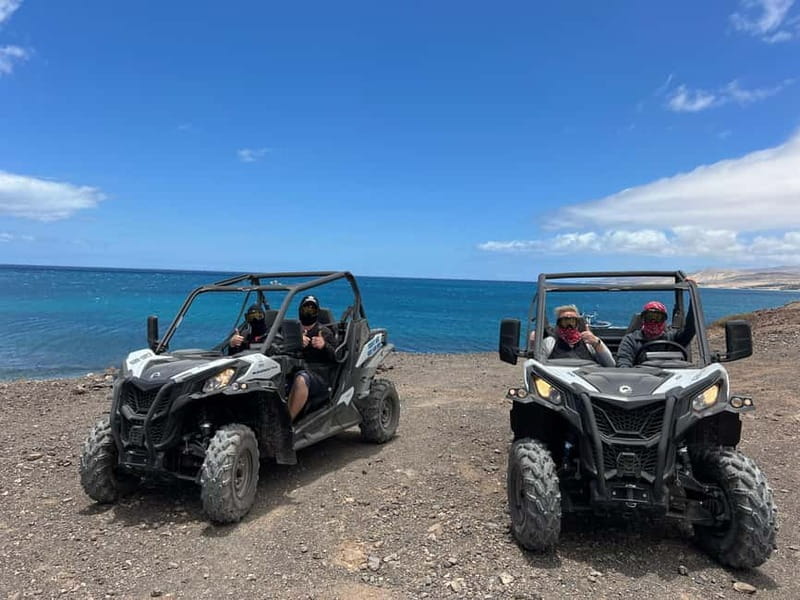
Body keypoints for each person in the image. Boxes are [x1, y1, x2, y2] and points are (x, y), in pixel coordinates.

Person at [287, 295, 337, 420]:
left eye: (312, 310)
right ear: (300, 310)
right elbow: (276, 347)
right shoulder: (291, 330)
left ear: (317, 312)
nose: (308, 312)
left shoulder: (324, 332)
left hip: (318, 377)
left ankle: (287, 423)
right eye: (306, 309)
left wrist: (324, 345)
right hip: (292, 370)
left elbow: (339, 356)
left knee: (301, 379)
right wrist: (295, 342)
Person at [616, 300, 696, 368]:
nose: (653, 322)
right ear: (643, 319)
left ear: (664, 321)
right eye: (649, 318)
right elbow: (624, 364)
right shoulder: (631, 340)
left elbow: (690, 329)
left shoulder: (673, 338)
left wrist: (693, 302)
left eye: (658, 318)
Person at [531, 305, 615, 366]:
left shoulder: (590, 342)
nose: (569, 326)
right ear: (558, 324)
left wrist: (597, 344)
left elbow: (610, 365)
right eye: (565, 322)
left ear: (578, 323)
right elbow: (539, 367)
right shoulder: (549, 343)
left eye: (572, 322)